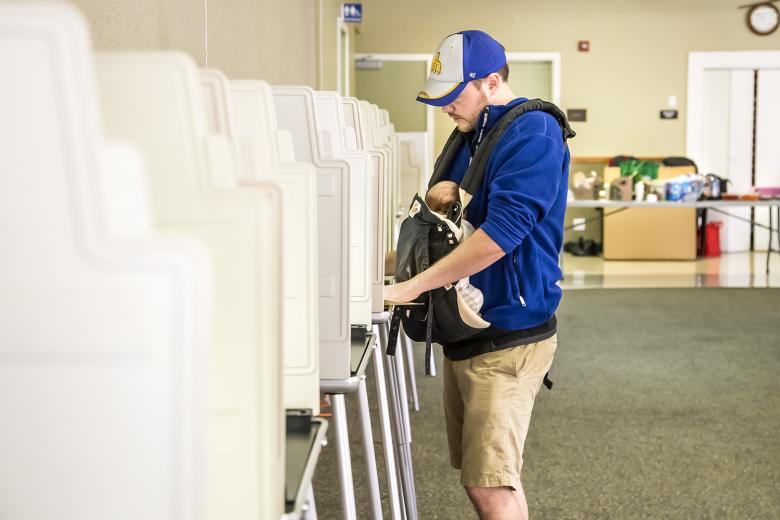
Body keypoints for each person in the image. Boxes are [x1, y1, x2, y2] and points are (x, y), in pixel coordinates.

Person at [384, 29, 570, 520]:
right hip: (468, 330)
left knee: (491, 488)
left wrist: (414, 285)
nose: (444, 108)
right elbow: (450, 228)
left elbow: (501, 235)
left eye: (452, 96)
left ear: (490, 81)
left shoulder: (533, 133)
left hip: (509, 336)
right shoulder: (474, 132)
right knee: (491, 480)